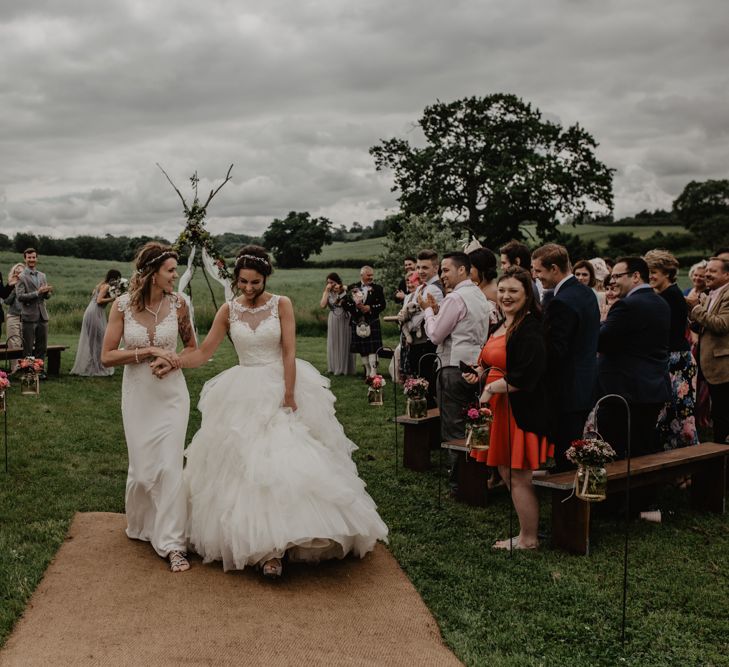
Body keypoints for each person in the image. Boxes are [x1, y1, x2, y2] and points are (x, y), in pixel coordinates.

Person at [153, 245, 388, 578]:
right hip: (241, 391)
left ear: (266, 278)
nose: (249, 288)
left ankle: (284, 543)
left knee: (284, 463)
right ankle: (266, 550)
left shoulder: (282, 305)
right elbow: (204, 352)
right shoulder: (228, 310)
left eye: (256, 282)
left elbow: (289, 352)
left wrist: (289, 393)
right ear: (235, 279)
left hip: (279, 383)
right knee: (247, 466)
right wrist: (174, 359)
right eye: (244, 282)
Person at [101, 242, 196, 573]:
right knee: (143, 472)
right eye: (171, 270)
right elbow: (108, 355)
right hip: (138, 394)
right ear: (153, 273)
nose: (176, 275)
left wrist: (172, 363)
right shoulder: (122, 306)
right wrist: (148, 351)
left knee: (170, 467)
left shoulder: (180, 305)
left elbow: (192, 350)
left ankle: (173, 543)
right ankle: (143, 524)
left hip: (172, 395)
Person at [464, 267, 552, 550]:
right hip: (497, 409)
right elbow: (492, 360)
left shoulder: (530, 328)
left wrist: (490, 389)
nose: (505, 296)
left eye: (513, 291)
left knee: (517, 475)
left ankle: (528, 538)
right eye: (502, 290)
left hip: (516, 409)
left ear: (527, 294)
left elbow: (527, 375)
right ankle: (526, 533)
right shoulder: (501, 323)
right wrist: (479, 371)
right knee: (505, 472)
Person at [420, 252, 490, 493]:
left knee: (453, 424)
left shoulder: (456, 297)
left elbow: (436, 335)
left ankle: (459, 480)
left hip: (452, 366)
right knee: (474, 420)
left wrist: (429, 312)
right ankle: (478, 473)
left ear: (463, 270)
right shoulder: (479, 295)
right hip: (476, 366)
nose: (442, 276)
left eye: (446, 270)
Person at [531, 244, 600, 471]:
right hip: (586, 379)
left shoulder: (561, 301)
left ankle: (568, 498)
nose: (536, 276)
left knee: (567, 448)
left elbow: (555, 351)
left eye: (538, 271)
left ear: (553, 268)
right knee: (574, 443)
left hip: (565, 386)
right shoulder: (585, 292)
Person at [597, 257, 670, 459]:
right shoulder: (660, 302)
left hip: (625, 392)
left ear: (636, 276)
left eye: (617, 276)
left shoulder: (627, 306)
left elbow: (601, 340)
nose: (612, 282)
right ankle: (644, 490)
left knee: (615, 453)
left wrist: (602, 321)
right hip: (652, 388)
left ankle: (620, 491)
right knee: (642, 450)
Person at [644, 250, 698, 449]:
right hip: (672, 358)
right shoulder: (667, 294)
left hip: (677, 361)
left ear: (667, 272)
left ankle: (689, 461)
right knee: (670, 415)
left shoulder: (669, 297)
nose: (650, 276)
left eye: (653, 271)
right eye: (647, 272)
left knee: (681, 415)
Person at [687, 256, 729, 444]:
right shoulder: (711, 293)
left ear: (727, 275)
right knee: (717, 412)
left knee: (723, 414)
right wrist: (693, 319)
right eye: (707, 270)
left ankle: (722, 457)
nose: (706, 274)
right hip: (709, 362)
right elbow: (703, 326)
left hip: (723, 366)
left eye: (713, 271)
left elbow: (721, 325)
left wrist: (695, 307)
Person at [403, 249, 445, 405]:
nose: (420, 271)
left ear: (436, 268)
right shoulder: (422, 287)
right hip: (417, 344)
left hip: (426, 344)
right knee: (419, 386)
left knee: (426, 387)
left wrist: (405, 321)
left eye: (425, 268)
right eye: (418, 267)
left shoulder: (434, 288)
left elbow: (415, 323)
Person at [70, 269, 122, 377]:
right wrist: (113, 299)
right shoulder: (106, 286)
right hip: (94, 312)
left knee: (96, 340)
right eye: (117, 279)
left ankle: (94, 364)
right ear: (113, 278)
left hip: (93, 311)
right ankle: (97, 367)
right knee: (99, 340)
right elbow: (99, 300)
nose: (118, 281)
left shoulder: (101, 284)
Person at [15, 248, 52, 378]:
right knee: (28, 347)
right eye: (29, 257)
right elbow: (20, 296)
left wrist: (47, 293)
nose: (32, 260)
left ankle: (40, 371)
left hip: (42, 314)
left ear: (37, 258)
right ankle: (29, 373)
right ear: (25, 259)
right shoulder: (21, 277)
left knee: (42, 346)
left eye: (34, 257)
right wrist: (38, 293)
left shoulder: (42, 275)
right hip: (29, 316)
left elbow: (46, 296)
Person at [345, 266, 387, 378]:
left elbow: (383, 304)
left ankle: (373, 371)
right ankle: (367, 371)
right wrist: (358, 309)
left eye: (372, 275)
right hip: (357, 321)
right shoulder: (352, 288)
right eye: (368, 275)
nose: (371, 277)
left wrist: (370, 308)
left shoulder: (378, 288)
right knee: (362, 349)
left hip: (372, 321)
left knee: (373, 348)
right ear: (362, 275)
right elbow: (347, 304)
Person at [319, 272, 355, 375]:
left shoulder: (344, 290)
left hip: (345, 317)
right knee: (334, 342)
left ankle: (345, 368)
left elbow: (353, 294)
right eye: (328, 282)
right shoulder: (327, 292)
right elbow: (322, 305)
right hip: (333, 318)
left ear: (337, 282)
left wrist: (342, 289)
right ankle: (334, 367)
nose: (330, 284)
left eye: (332, 282)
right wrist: (326, 291)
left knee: (345, 341)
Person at [468, 246, 502, 331]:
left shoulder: (495, 292)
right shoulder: (477, 287)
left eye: (471, 267)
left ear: (481, 268)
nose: (467, 270)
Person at [2, 264, 25, 371]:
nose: (18, 274)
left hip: (27, 317)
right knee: (13, 343)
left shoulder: (28, 285)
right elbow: (6, 301)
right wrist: (14, 289)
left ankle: (27, 367)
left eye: (20, 271)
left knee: (26, 343)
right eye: (16, 272)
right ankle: (15, 369)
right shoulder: (11, 286)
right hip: (13, 316)